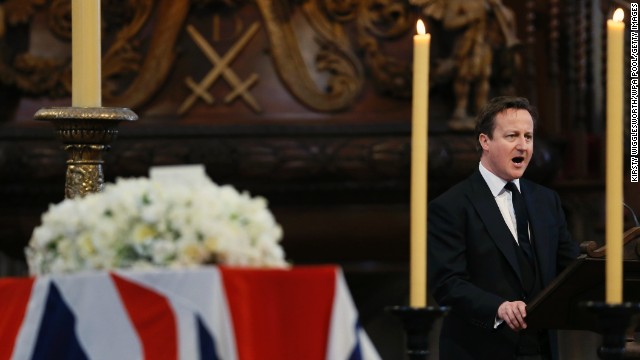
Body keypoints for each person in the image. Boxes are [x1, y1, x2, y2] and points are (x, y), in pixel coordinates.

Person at [427, 96, 580, 359]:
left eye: (529, 137)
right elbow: (447, 283)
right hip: (480, 348)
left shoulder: (547, 200)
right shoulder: (450, 205)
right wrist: (498, 307)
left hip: (541, 349)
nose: (523, 145)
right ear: (485, 141)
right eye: (512, 136)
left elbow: (571, 266)